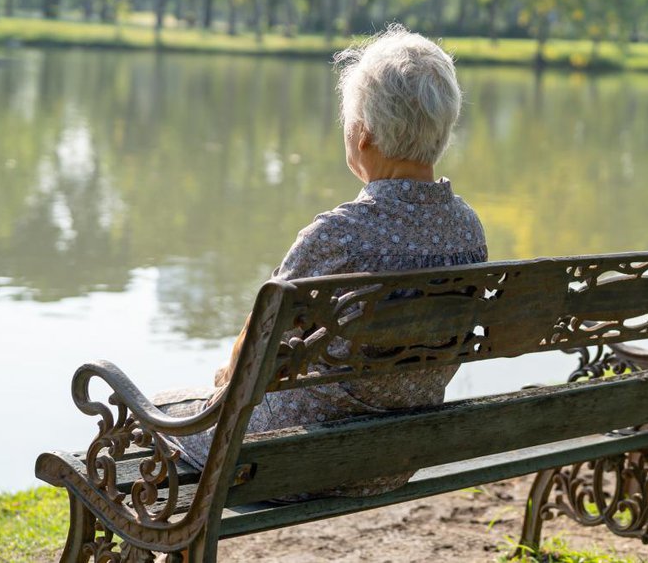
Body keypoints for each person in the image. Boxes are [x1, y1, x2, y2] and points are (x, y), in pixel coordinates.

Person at [154, 24, 487, 497]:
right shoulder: (468, 229)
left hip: (295, 460)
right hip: (398, 455)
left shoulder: (339, 235)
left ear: (363, 134)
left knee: (155, 410)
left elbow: (251, 356)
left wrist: (220, 384)